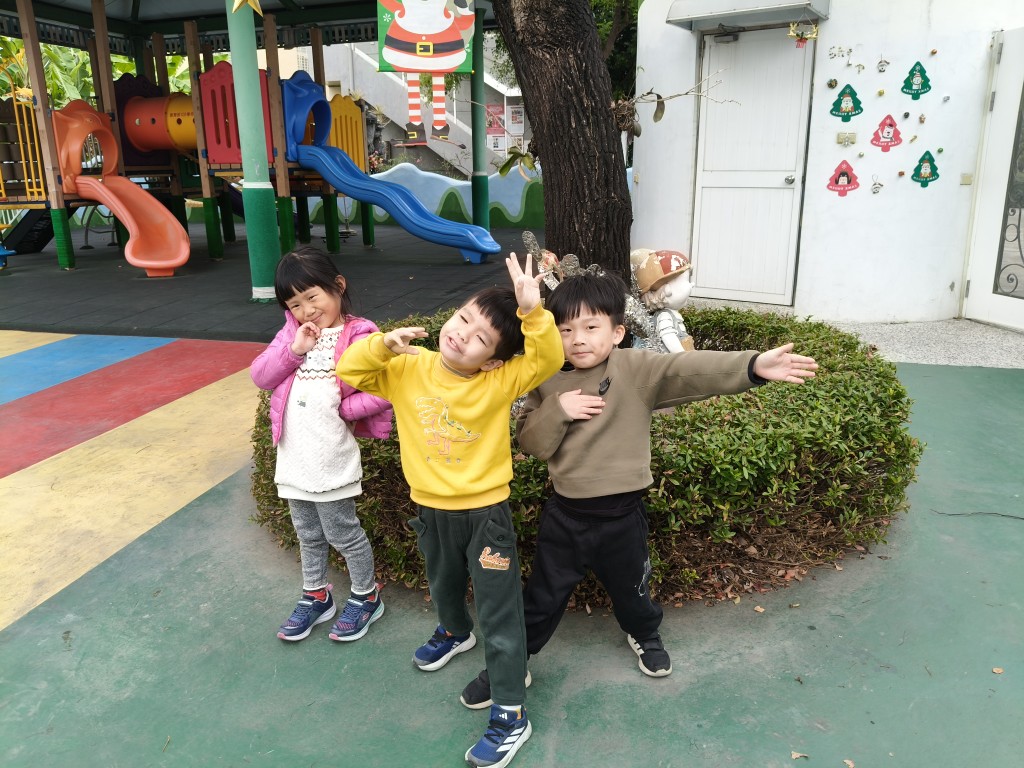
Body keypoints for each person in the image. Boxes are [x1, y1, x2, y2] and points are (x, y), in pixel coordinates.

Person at [460, 270, 818, 706]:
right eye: (565, 330)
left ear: (617, 332)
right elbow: (532, 444)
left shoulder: (634, 368)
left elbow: (688, 369)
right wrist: (558, 408)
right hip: (566, 519)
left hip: (623, 518)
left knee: (633, 589)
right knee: (540, 598)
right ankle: (513, 662)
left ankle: (644, 633)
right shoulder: (545, 378)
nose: (578, 339)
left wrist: (752, 366)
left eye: (591, 327)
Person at [336, 254, 563, 768]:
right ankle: (455, 633)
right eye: (463, 318)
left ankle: (510, 712)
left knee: (500, 614)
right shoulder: (407, 367)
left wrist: (532, 312)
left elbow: (547, 359)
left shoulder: (497, 383)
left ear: (494, 362)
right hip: (430, 509)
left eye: (481, 338)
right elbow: (349, 370)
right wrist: (381, 344)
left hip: (485, 517)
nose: (462, 334)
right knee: (442, 585)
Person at [251, 248, 393, 644]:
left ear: (338, 286)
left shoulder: (361, 334)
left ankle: (366, 596)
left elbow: (384, 388)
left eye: (312, 297)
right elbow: (261, 376)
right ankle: (316, 595)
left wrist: (343, 410)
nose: (306, 310)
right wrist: (294, 349)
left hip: (330, 455)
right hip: (294, 457)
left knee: (343, 533)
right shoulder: (290, 334)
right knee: (307, 533)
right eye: (295, 304)